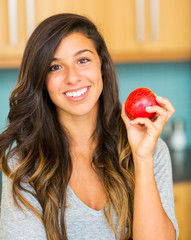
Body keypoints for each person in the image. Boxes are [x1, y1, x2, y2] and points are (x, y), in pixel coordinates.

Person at [0, 13, 179, 240]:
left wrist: (142, 159)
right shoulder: (24, 164)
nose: (73, 77)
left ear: (101, 66)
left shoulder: (152, 151)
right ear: (41, 81)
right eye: (55, 67)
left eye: (83, 60)